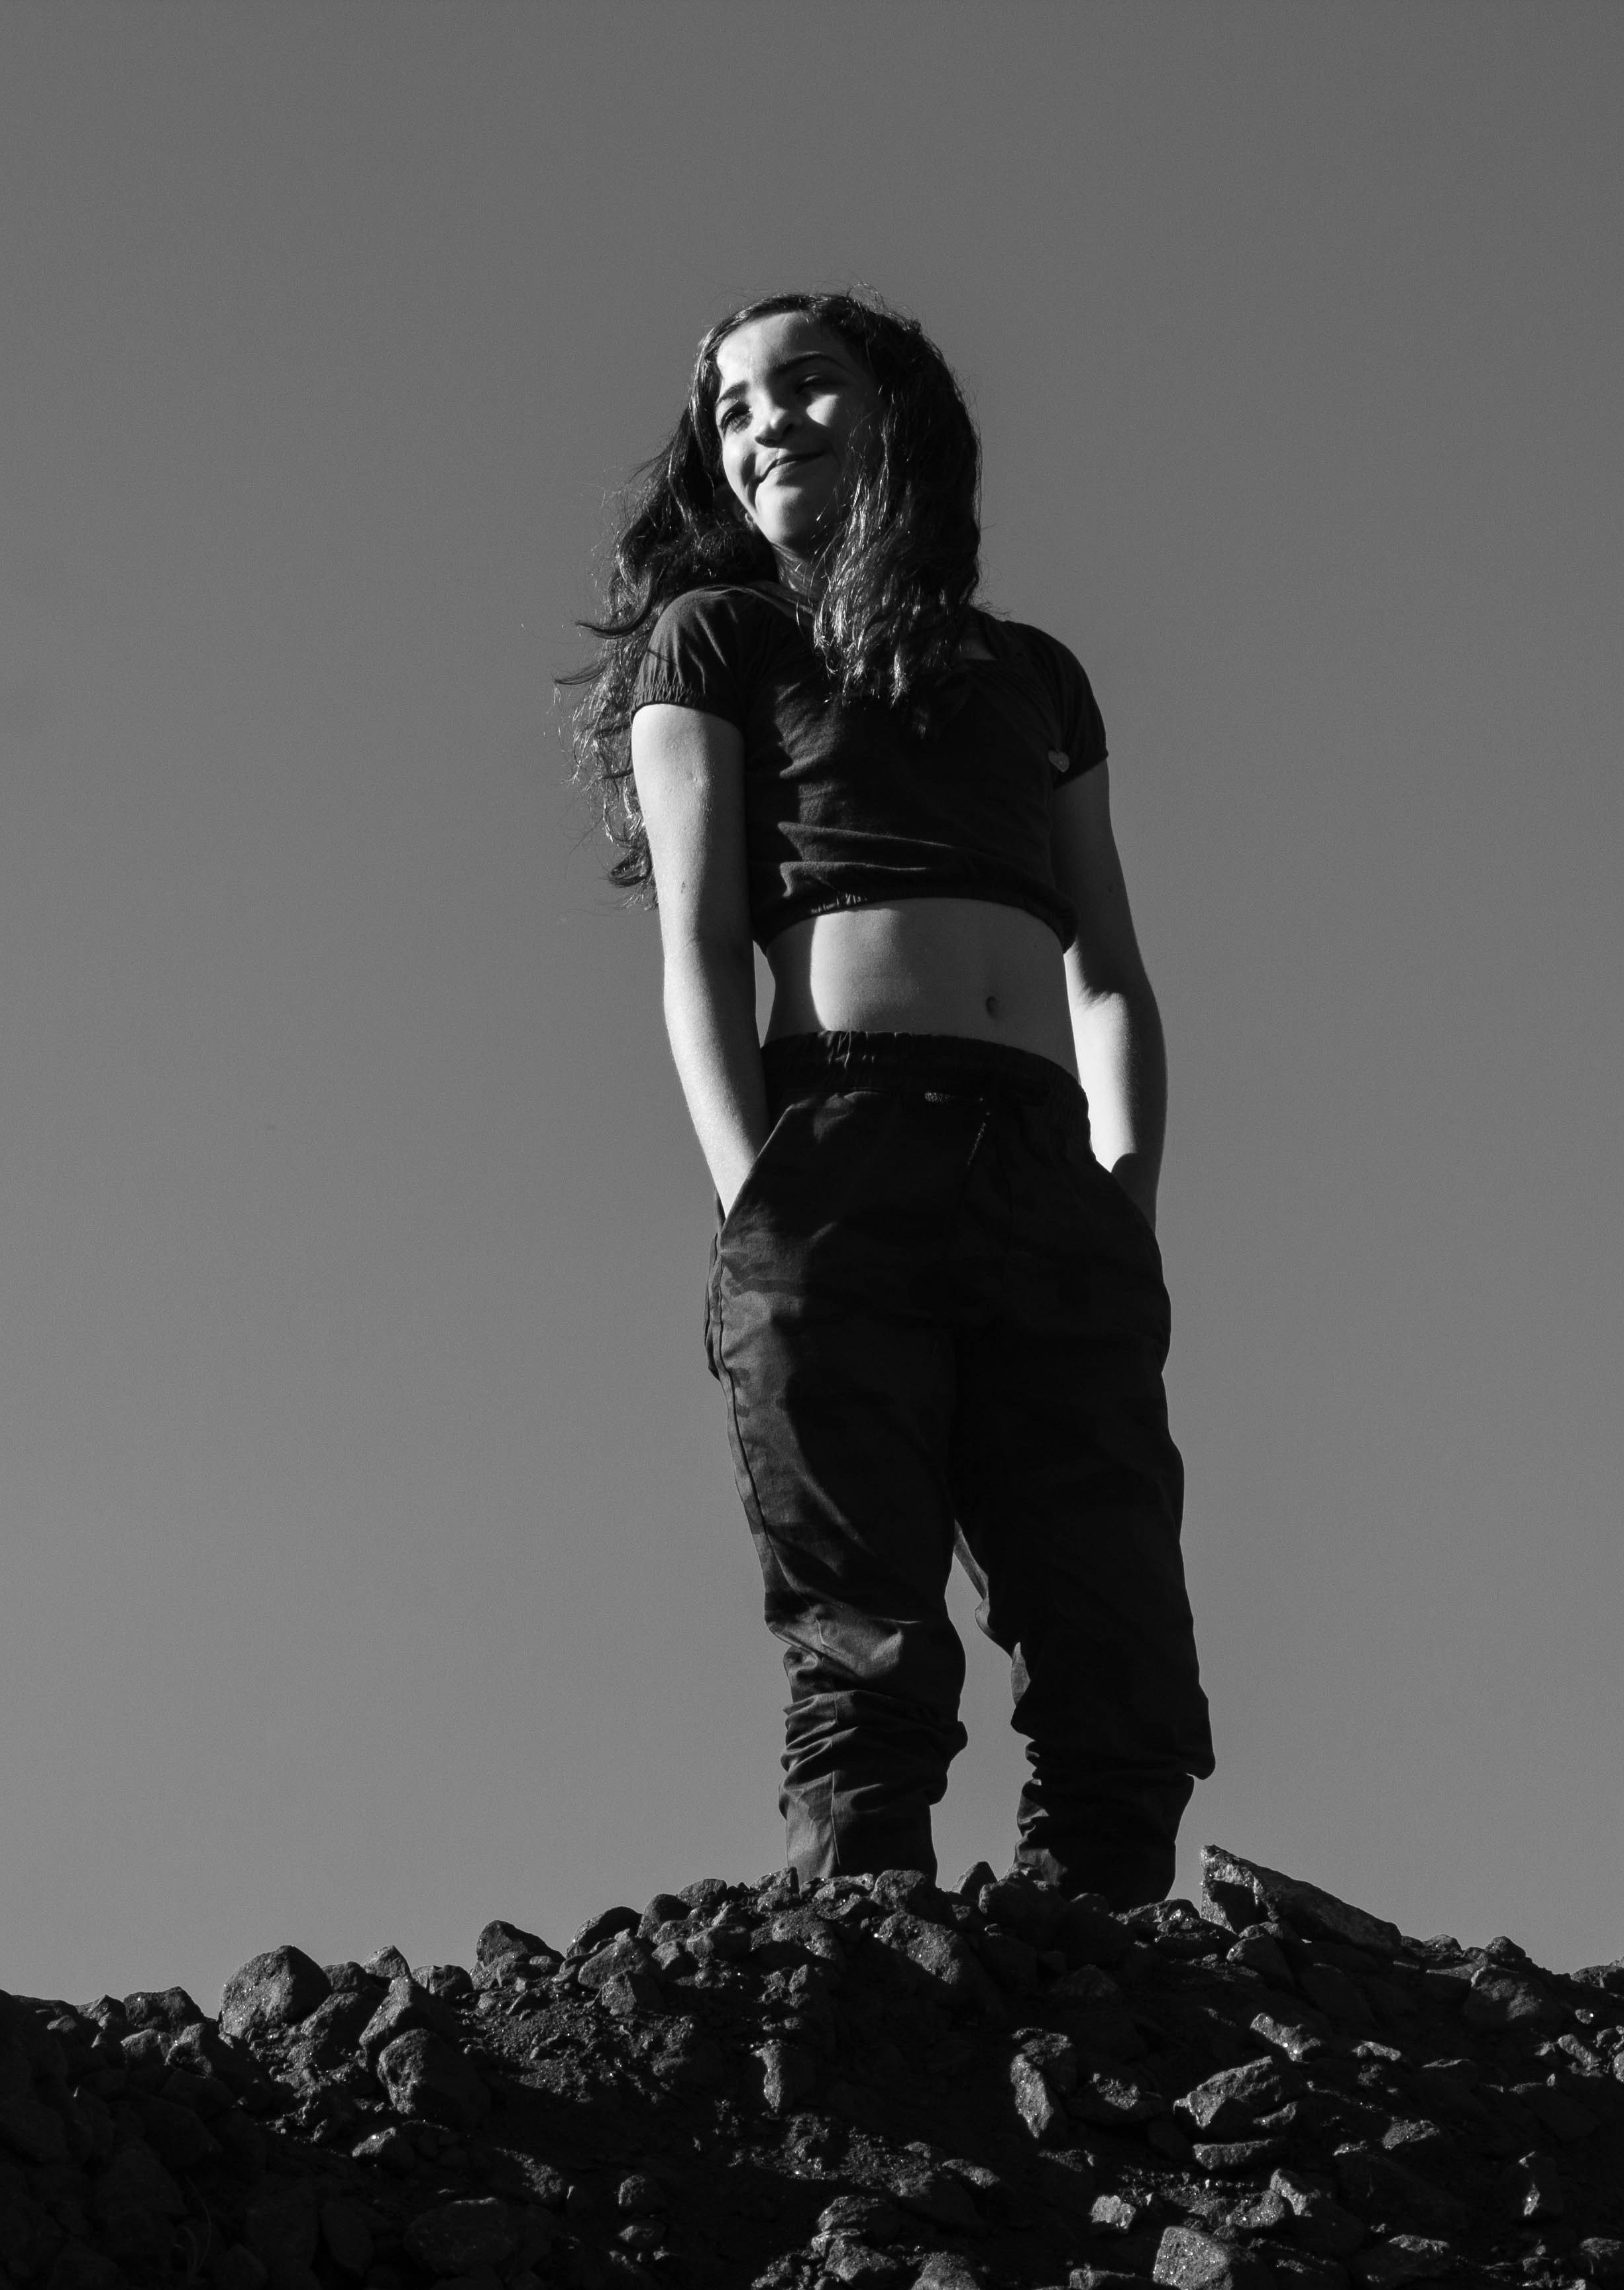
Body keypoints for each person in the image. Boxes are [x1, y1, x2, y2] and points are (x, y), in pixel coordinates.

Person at [564, 291, 1212, 1904]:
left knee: (1117, 1630)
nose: (764, 423)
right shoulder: (717, 642)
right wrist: (756, 1195)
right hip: (836, 1153)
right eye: (731, 410)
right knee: (864, 1632)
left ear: (897, 408)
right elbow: (700, 951)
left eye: (806, 385)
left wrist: (1126, 1194)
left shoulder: (1038, 679)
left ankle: (1102, 1967)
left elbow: (1111, 968)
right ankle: (872, 1959)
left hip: (1046, 1166)